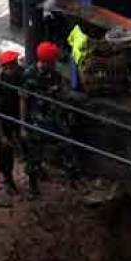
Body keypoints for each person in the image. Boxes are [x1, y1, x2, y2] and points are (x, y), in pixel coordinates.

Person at [20, 41, 81, 199]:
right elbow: (23, 100)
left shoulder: (56, 75)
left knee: (68, 145)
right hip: (36, 120)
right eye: (53, 61)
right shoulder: (29, 75)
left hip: (54, 118)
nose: (55, 64)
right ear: (46, 61)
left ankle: (74, 178)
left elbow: (60, 96)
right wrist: (23, 126)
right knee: (34, 154)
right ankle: (33, 185)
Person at [0, 50, 24, 195]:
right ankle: (7, 177)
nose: (13, 70)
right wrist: (1, 135)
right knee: (5, 149)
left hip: (18, 115)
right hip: (3, 119)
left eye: (14, 66)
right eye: (9, 67)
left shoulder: (20, 75)